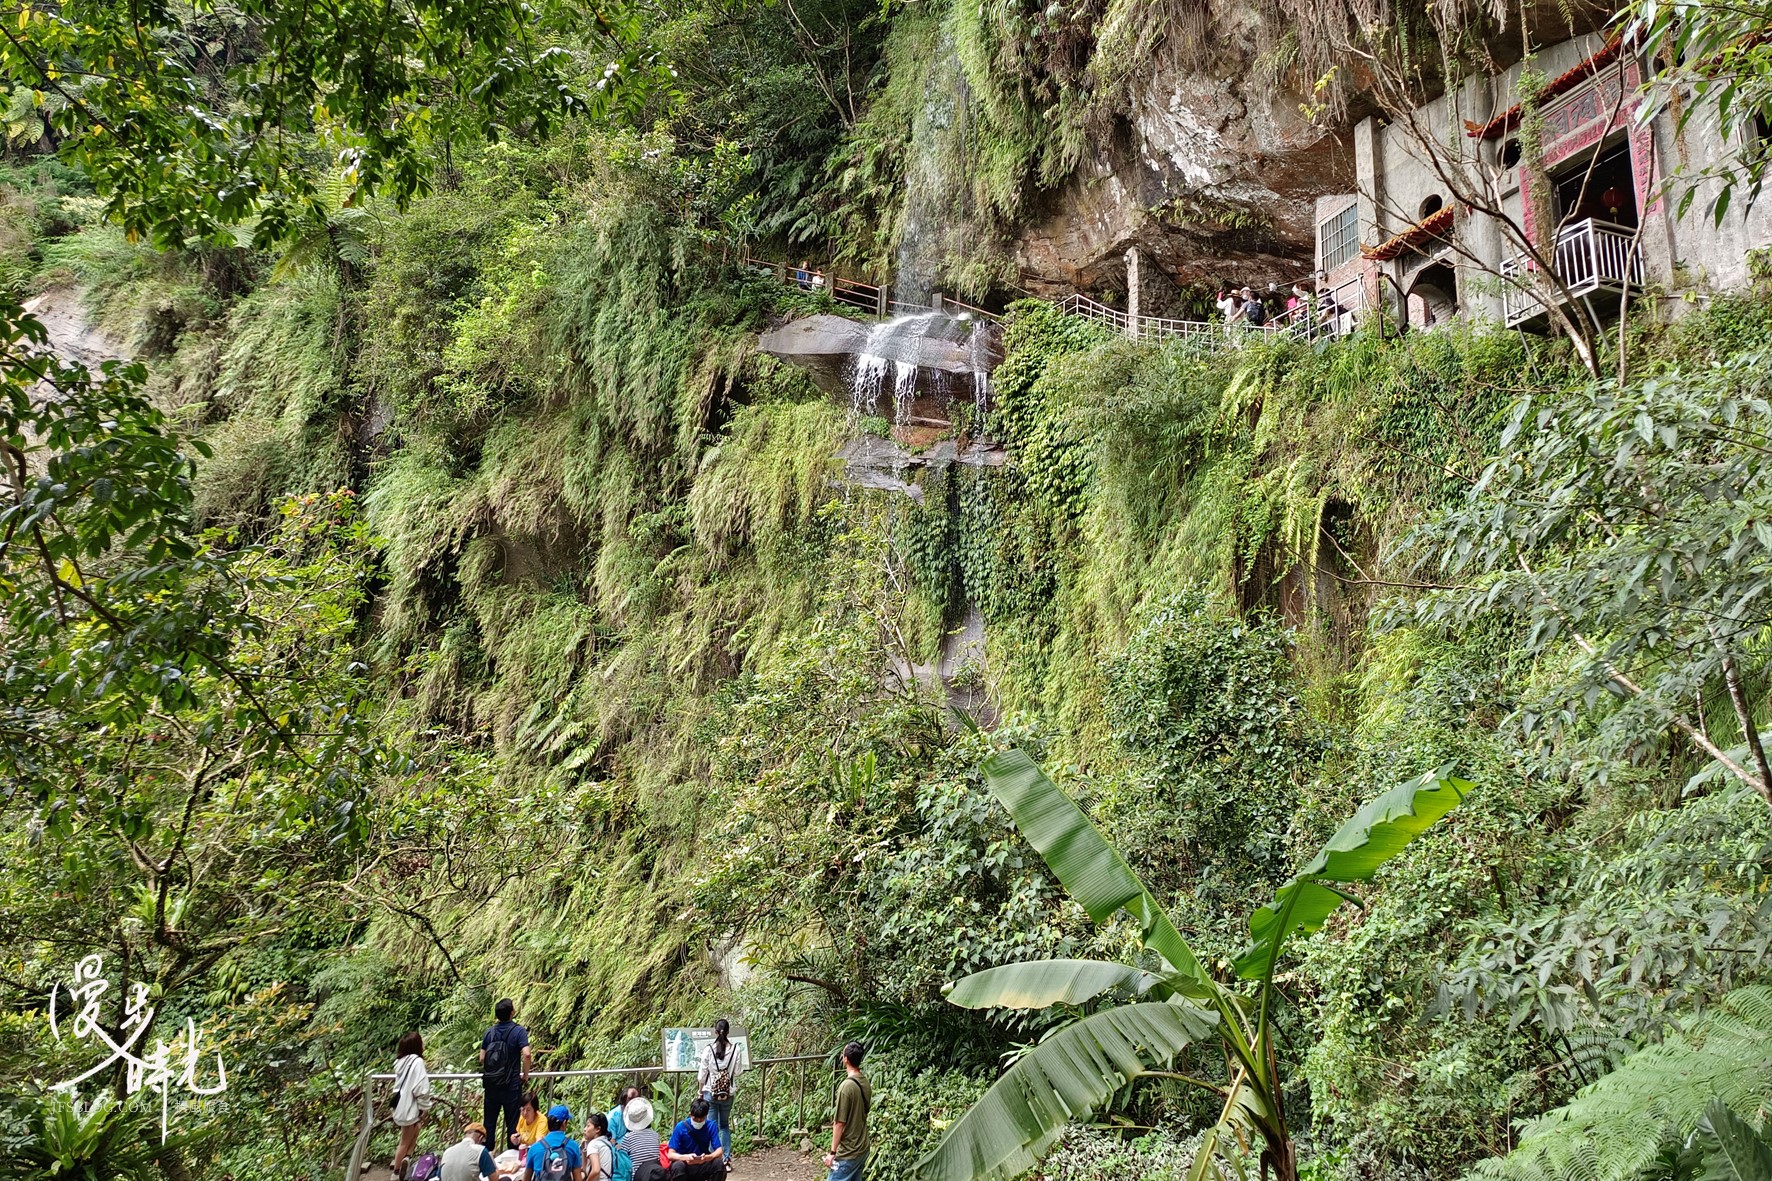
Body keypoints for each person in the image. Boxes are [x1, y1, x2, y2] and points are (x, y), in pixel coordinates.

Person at [482, 999, 534, 1154]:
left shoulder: (489, 1032)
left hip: (491, 1085)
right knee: (513, 1124)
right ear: (512, 1012)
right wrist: (525, 1075)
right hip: (511, 1085)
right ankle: (513, 1157)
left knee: (489, 1124)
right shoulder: (518, 1031)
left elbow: (482, 1058)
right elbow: (527, 1054)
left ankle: (485, 1159)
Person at [821, 1041, 871, 1181]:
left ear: (845, 1059)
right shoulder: (864, 1081)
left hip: (849, 1152)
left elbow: (839, 1123)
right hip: (863, 1147)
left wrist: (832, 1153)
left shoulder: (846, 1087)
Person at [696, 1020, 741, 1166]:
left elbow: (702, 1074)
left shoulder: (709, 1049)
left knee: (711, 1126)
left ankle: (712, 1160)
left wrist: (699, 1091)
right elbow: (738, 1072)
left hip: (710, 1092)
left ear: (715, 1031)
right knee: (724, 1125)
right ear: (728, 1032)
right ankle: (726, 1159)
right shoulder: (735, 1049)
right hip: (728, 1093)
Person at [392, 1031, 434, 1179]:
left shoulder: (400, 1062)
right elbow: (421, 1088)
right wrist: (425, 1106)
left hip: (400, 1106)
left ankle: (407, 1159)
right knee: (404, 1141)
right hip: (410, 1106)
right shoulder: (417, 1062)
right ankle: (396, 1173)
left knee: (415, 1130)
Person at [665, 1098, 724, 1180]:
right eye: (696, 1119)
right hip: (685, 1164)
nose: (699, 1121)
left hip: (702, 1164)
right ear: (690, 1115)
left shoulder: (711, 1126)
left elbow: (719, 1151)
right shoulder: (680, 1127)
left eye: (702, 1119)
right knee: (677, 1166)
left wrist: (708, 1157)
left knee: (718, 1164)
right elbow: (670, 1154)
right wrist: (685, 1157)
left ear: (706, 1116)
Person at [523, 1105, 584, 1181]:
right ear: (564, 1123)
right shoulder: (573, 1146)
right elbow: (578, 1178)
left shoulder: (534, 1148)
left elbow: (526, 1178)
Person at [618, 1097, 663, 1181]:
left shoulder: (628, 1137)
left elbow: (623, 1162)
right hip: (657, 1175)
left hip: (638, 1177)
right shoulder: (655, 1135)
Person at [581, 1112, 615, 1181]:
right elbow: (585, 1170)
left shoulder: (594, 1144)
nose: (585, 1129)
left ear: (598, 1129)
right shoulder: (606, 1143)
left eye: (588, 1126)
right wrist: (583, 1150)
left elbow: (596, 1170)